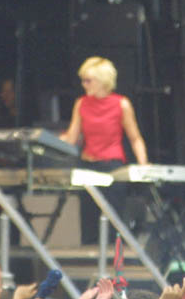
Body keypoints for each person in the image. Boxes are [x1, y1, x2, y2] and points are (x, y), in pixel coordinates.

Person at [60, 57, 148, 243]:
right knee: (88, 221)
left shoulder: (121, 104)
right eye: (83, 80)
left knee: (112, 221)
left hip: (112, 168)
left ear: (102, 81)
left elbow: (135, 138)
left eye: (88, 80)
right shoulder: (81, 103)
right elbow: (71, 137)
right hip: (87, 166)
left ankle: (113, 258)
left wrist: (143, 166)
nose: (84, 85)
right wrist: (46, 141)